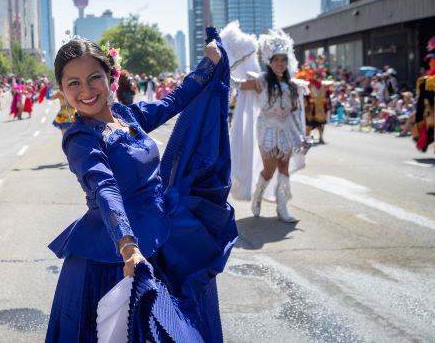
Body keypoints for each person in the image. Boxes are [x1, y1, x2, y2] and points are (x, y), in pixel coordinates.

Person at [45, 34, 236, 342]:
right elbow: (105, 189)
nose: (86, 90)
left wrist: (210, 63)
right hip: (113, 261)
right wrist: (128, 246)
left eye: (94, 77)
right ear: (62, 90)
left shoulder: (126, 115)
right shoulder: (80, 139)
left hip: (159, 242)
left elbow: (174, 100)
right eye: (74, 83)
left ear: (110, 76)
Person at [231, 28, 307, 223]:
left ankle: (282, 208)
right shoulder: (261, 81)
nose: (280, 64)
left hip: (287, 130)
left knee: (284, 168)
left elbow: (295, 113)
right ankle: (258, 196)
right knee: (269, 169)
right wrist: (228, 67)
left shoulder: (293, 85)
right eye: (276, 60)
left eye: (283, 60)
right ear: (270, 62)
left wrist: (302, 135)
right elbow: (237, 84)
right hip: (267, 129)